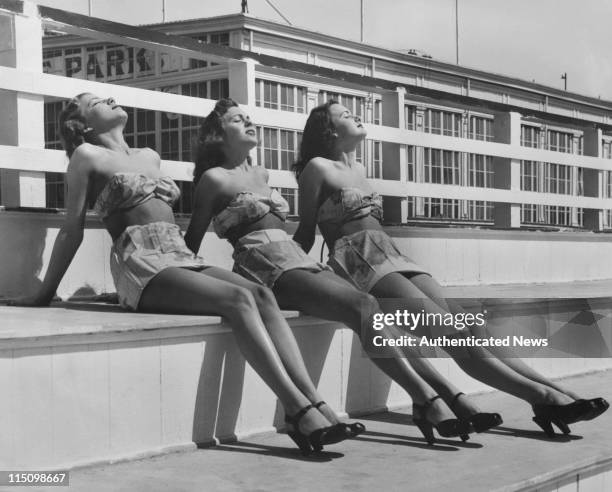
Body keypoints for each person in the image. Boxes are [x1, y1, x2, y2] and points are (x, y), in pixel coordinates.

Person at [8, 93, 353, 456]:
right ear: (83, 126)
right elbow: (71, 230)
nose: (110, 98)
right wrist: (44, 294)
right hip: (141, 260)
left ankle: (315, 401)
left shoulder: (149, 156)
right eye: (95, 101)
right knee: (238, 299)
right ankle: (295, 409)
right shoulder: (87, 156)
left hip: (179, 254)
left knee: (261, 295)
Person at [186, 98, 503, 445]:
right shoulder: (213, 179)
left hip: (295, 260)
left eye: (249, 117)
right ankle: (431, 397)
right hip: (260, 264)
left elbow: (300, 237)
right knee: (364, 306)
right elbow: (192, 240)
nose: (248, 122)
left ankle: (439, 394)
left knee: (369, 306)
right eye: (237, 119)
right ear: (218, 135)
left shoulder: (261, 174)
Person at [291, 99, 609, 438]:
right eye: (343, 114)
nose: (354, 114)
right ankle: (541, 397)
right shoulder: (317, 168)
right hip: (358, 260)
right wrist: (293, 274)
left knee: (473, 327)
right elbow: (307, 231)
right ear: (327, 130)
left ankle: (555, 390)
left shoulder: (360, 170)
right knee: (452, 334)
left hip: (393, 256)